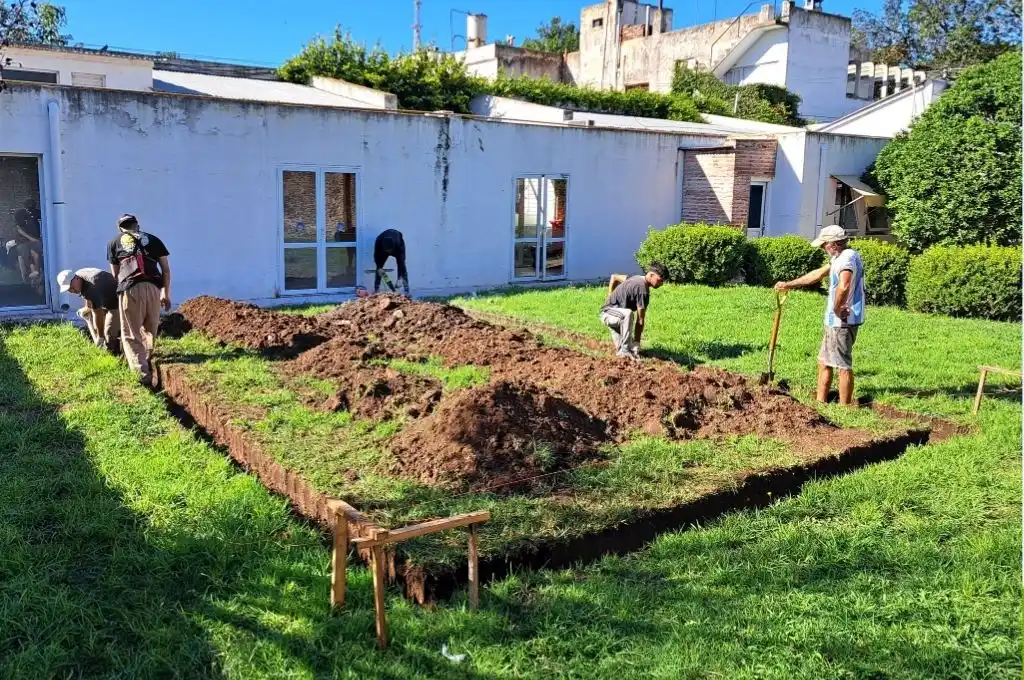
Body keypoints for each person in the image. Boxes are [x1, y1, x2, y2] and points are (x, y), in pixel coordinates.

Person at [775, 224, 865, 406]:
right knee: (824, 361)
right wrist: (789, 284)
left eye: (824, 245)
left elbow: (844, 285)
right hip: (834, 321)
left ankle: (844, 408)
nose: (823, 248)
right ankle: (820, 403)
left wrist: (837, 308)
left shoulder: (846, 260)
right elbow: (816, 275)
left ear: (833, 244)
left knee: (842, 365)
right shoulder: (839, 258)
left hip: (842, 321)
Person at [107, 214, 171, 386]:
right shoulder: (154, 239)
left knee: (130, 332)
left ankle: (142, 375)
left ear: (120, 228)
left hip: (130, 289)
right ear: (137, 225)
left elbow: (115, 274)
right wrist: (165, 293)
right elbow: (165, 269)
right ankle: (149, 360)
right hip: (153, 289)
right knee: (150, 329)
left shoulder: (114, 242)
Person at [599, 262, 667, 361]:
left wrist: (610, 295)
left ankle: (624, 351)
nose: (661, 284)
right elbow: (640, 320)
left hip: (618, 319)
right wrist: (637, 342)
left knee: (625, 352)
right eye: (660, 280)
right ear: (651, 275)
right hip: (608, 313)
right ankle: (625, 350)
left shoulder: (635, 277)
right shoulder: (642, 289)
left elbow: (614, 277)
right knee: (628, 314)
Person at [57, 267, 121, 354]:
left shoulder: (92, 286)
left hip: (118, 302)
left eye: (71, 287)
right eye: (69, 290)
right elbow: (86, 294)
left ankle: (114, 355)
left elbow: (97, 313)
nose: (72, 291)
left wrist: (100, 337)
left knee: (109, 334)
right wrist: (87, 307)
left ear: (76, 278)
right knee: (97, 327)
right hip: (106, 299)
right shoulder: (80, 275)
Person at [373, 228, 409, 295]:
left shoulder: (398, 243)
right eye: (387, 251)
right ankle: (376, 289)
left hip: (396, 247)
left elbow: (401, 261)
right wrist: (378, 266)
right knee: (379, 269)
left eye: (390, 251)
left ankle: (406, 290)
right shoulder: (379, 241)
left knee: (402, 266)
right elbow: (376, 255)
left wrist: (399, 277)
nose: (389, 252)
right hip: (383, 250)